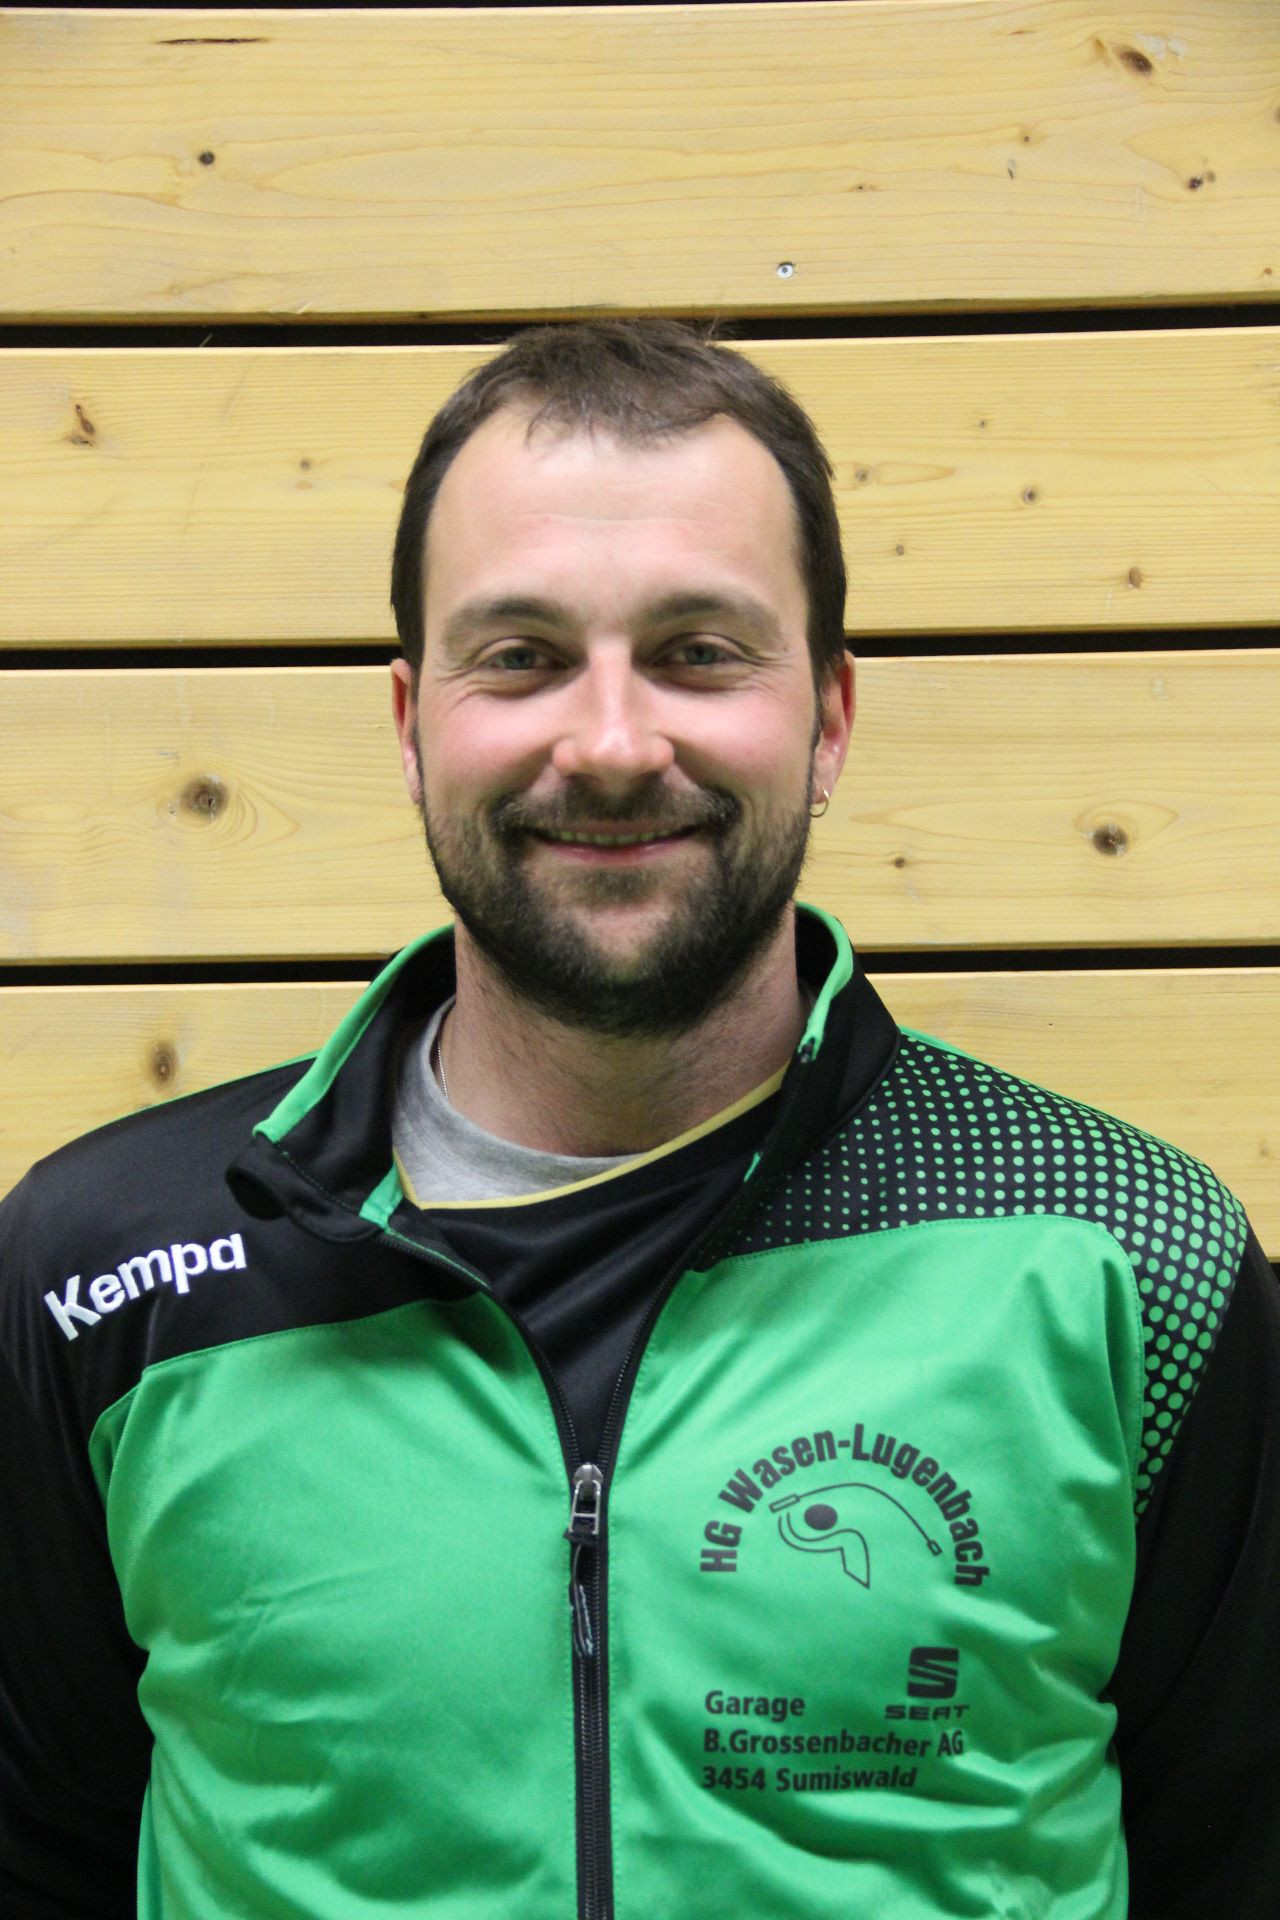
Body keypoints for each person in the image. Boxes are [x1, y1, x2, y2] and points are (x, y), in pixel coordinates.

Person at [1, 318, 1276, 1920]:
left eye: (700, 651)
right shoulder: (103, 1277)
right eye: (520, 657)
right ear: (410, 724)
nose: (610, 744)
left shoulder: (1120, 1256)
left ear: (830, 717)